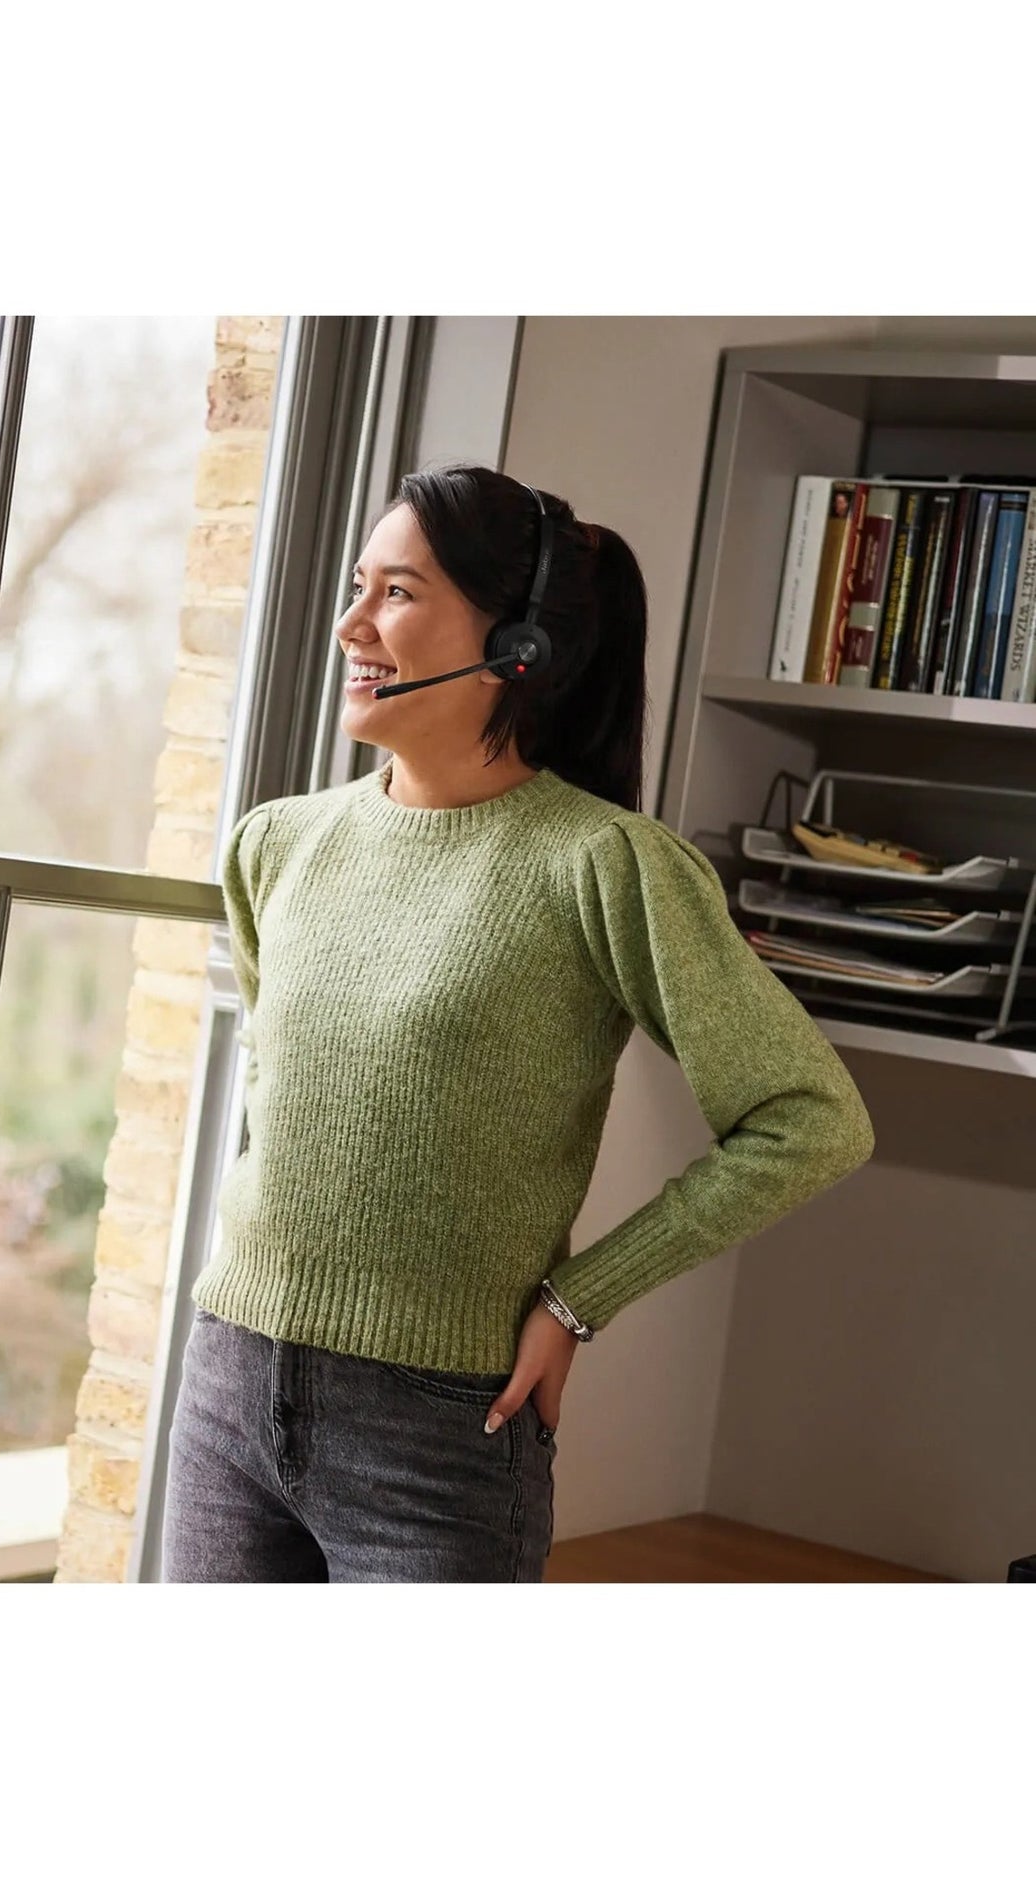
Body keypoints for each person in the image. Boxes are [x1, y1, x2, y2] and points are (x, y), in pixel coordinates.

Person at [159, 462, 876, 1583]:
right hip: (224, 1395)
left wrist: (577, 1302)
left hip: (439, 1435)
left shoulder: (605, 864)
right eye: (358, 585)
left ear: (519, 645)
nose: (351, 623)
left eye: (396, 593)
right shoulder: (275, 843)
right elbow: (280, 1109)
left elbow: (810, 1118)